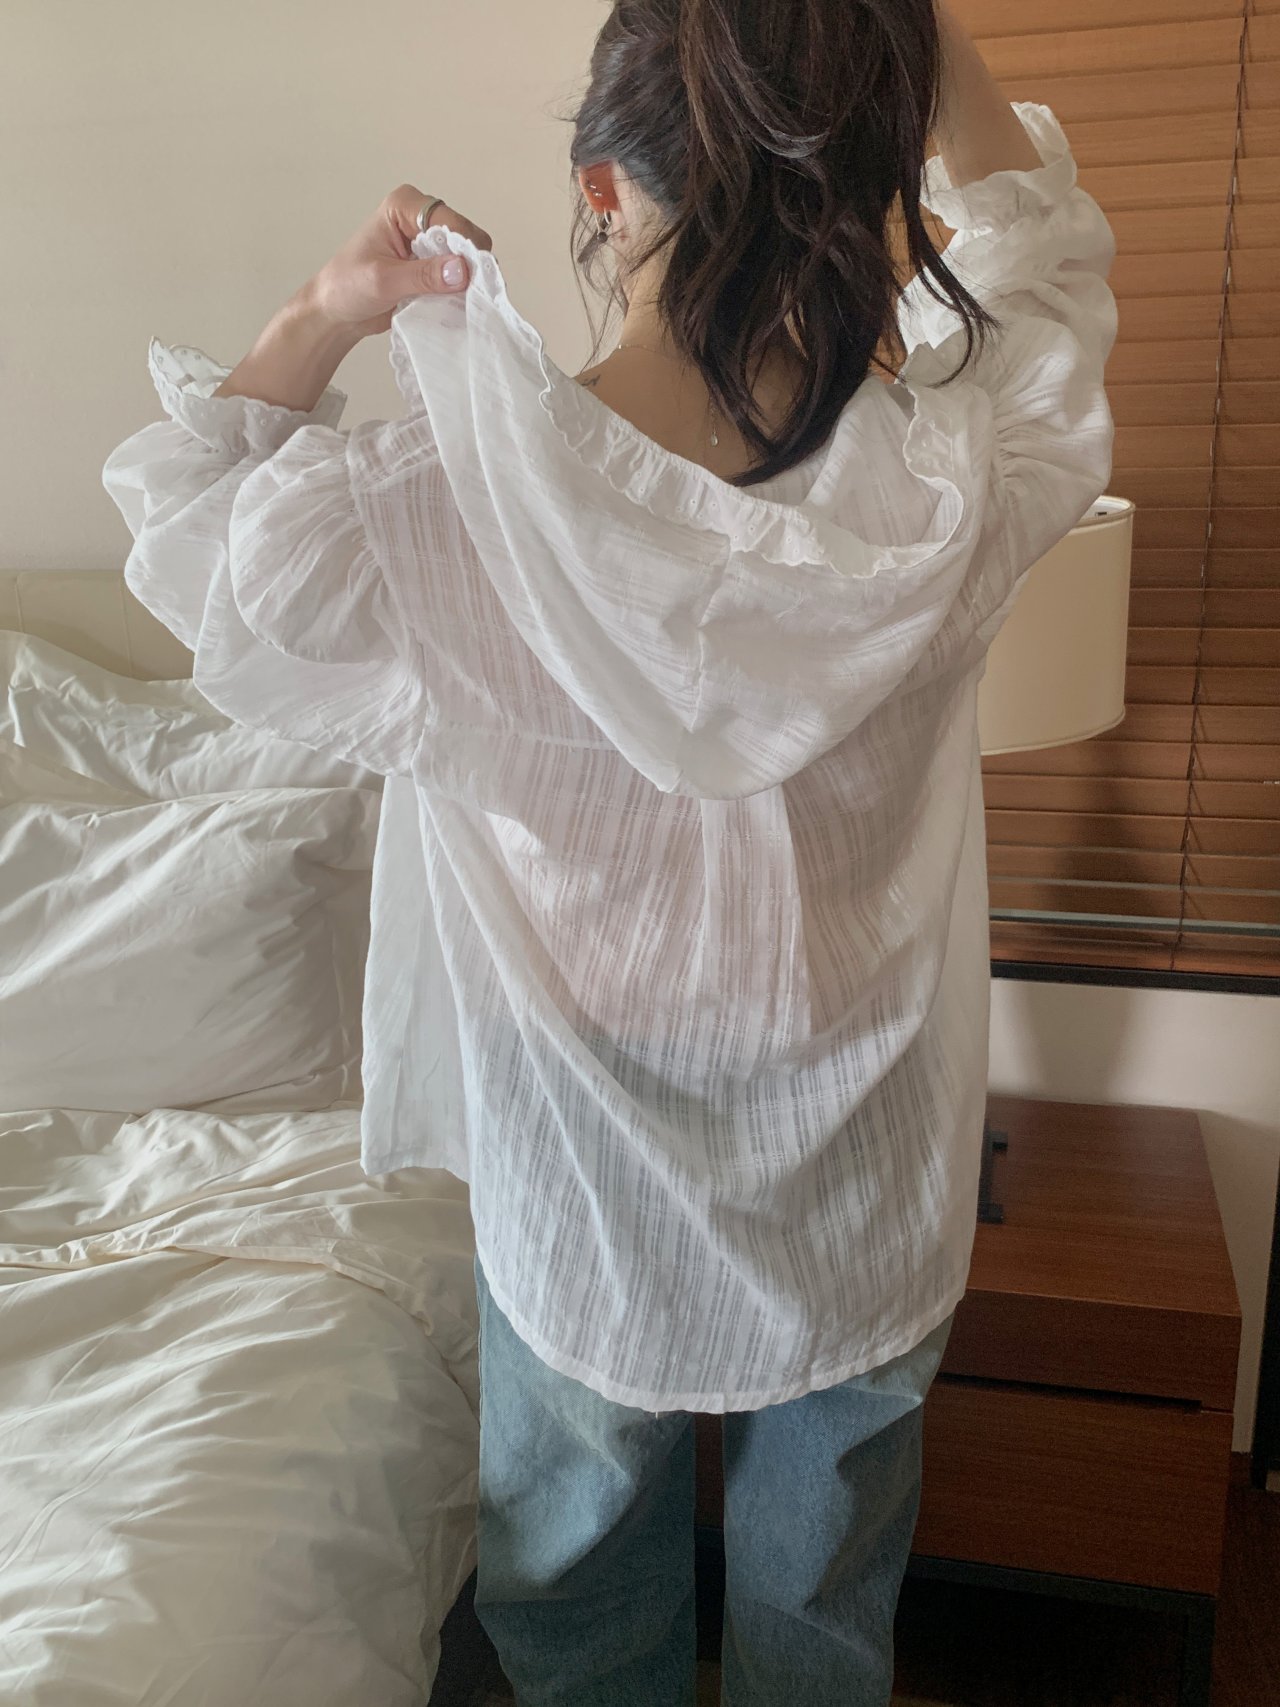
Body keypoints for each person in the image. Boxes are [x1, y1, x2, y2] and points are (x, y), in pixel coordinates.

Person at [102, 0, 1117, 1701]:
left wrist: (329, 307)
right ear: (867, 202)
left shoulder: (429, 518)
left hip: (580, 1171)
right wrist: (919, 42)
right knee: (822, 1628)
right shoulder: (949, 495)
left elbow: (192, 529)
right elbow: (1050, 274)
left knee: (578, 1628)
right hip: (864, 1150)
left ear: (600, 191)